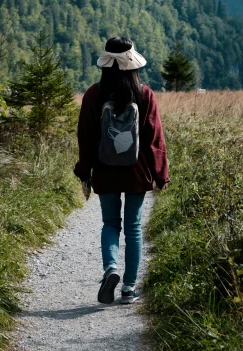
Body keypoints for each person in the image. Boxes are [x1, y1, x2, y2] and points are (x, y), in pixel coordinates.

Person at [74, 37, 169, 305]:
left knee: (110, 224)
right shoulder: (144, 93)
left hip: (105, 169)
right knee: (134, 227)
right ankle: (128, 288)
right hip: (137, 170)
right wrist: (161, 174)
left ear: (105, 63)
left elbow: (87, 137)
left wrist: (85, 172)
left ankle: (110, 268)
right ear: (132, 64)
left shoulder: (94, 94)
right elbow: (154, 139)